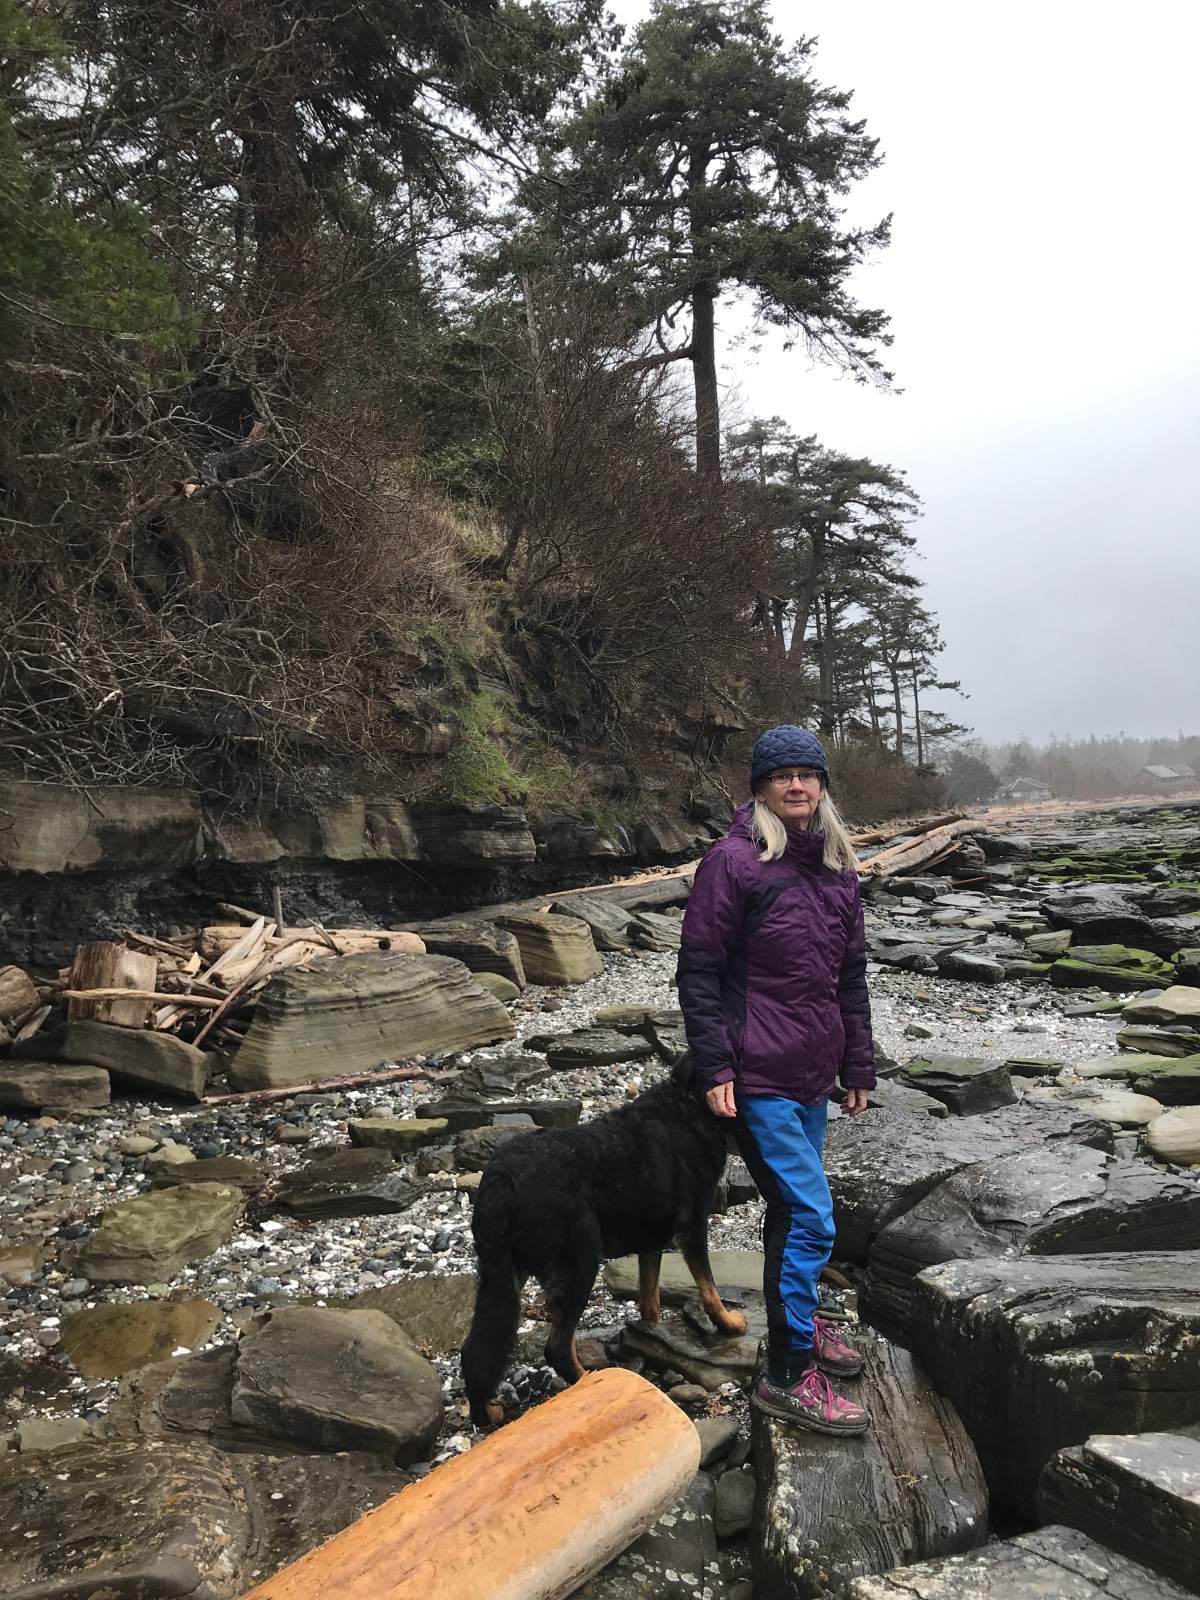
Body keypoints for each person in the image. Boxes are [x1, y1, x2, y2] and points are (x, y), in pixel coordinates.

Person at [676, 725, 875, 1435]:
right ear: (760, 787)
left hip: (813, 1072)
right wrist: (716, 1066)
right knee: (811, 1214)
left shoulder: (837, 868)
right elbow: (698, 973)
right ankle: (788, 1374)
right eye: (782, 775)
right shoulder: (733, 864)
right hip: (755, 1076)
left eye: (808, 774)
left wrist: (857, 1063)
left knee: (795, 1214)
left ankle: (801, 1325)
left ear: (823, 786)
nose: (797, 785)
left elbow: (848, 977)